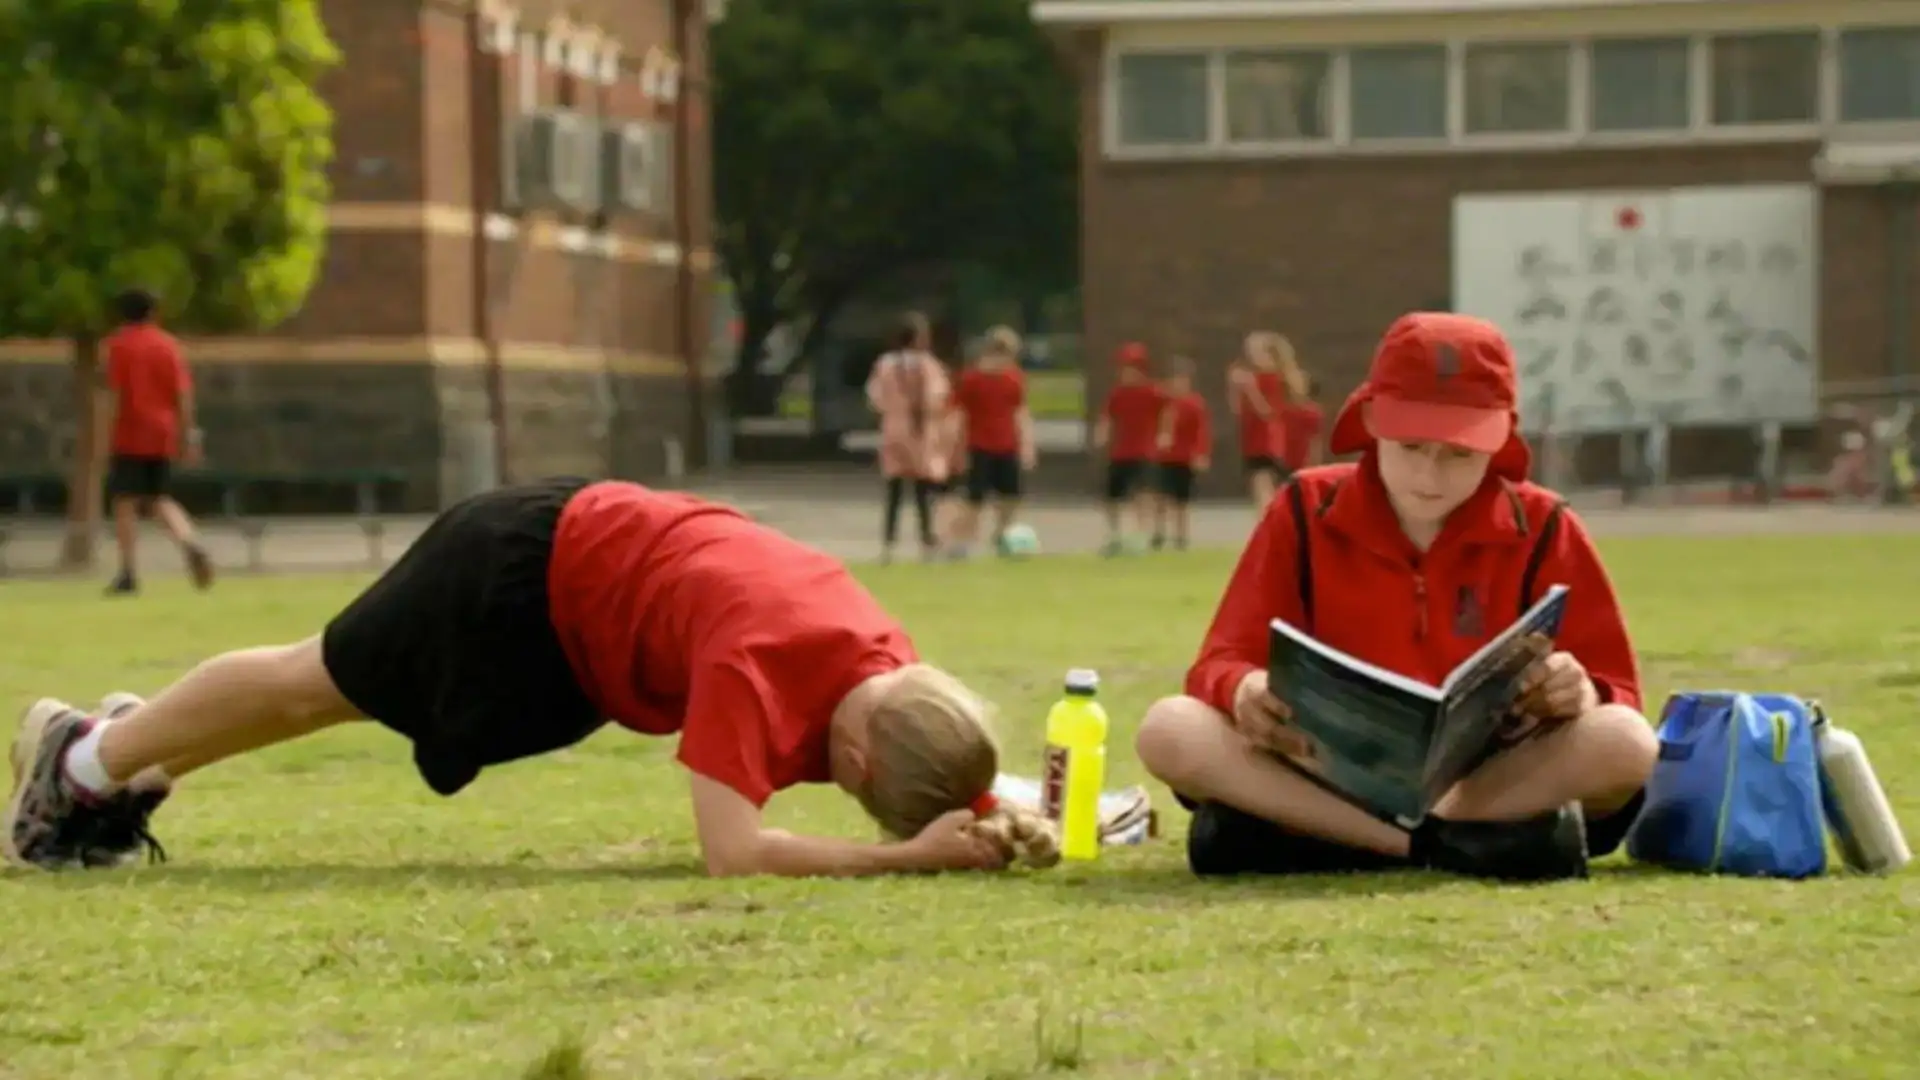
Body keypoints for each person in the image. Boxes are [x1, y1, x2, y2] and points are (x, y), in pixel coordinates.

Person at [5, 480, 1062, 875]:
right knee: (312, 682)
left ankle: (123, 761)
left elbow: (950, 759)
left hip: (579, 630)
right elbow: (734, 854)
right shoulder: (760, 663)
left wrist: (1010, 804)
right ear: (864, 756)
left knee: (335, 699)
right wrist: (905, 862)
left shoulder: (889, 665)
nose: (850, 796)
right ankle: (84, 755)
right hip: (520, 571)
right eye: (863, 793)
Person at [1135, 312, 1658, 881]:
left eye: (1460, 453)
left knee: (1626, 741)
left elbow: (1620, 693)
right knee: (1169, 727)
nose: (1430, 475)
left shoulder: (1545, 524)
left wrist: (1580, 691)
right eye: (1410, 445)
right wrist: (1244, 691)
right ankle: (1435, 846)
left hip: (1488, 778)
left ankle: (1348, 838)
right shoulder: (1303, 509)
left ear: (1502, 438)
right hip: (1326, 770)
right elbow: (1220, 661)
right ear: (1371, 421)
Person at [99, 288, 214, 594]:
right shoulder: (168, 346)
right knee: (159, 497)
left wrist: (104, 436)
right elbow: (183, 395)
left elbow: (114, 395)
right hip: (163, 433)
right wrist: (189, 435)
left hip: (129, 433)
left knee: (124, 501)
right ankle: (190, 540)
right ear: (152, 312)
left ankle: (128, 572)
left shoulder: (118, 346)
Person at [864, 311, 951, 564]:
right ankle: (926, 541)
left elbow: (875, 397)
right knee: (923, 491)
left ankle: (889, 544)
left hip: (893, 429)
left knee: (894, 491)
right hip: (920, 430)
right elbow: (937, 397)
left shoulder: (885, 364)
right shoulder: (928, 364)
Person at [949, 327, 1034, 557]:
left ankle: (1002, 535)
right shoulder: (971, 379)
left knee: (1011, 497)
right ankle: (962, 543)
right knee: (974, 499)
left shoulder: (1014, 379)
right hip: (980, 446)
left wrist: (1027, 444)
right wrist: (955, 448)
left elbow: (1020, 412)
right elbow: (959, 414)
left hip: (1007, 446)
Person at [1093, 343, 1164, 556]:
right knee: (1112, 496)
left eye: (1131, 367)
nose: (1125, 372)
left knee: (1142, 495)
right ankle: (1115, 534)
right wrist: (1102, 434)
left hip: (1144, 451)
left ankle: (1142, 535)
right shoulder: (1117, 394)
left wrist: (1163, 435)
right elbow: (1106, 417)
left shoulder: (1153, 392)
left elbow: (1167, 414)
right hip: (1120, 451)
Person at [1228, 331, 1306, 510]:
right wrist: (1235, 388)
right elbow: (1238, 411)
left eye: (1256, 352)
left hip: (1268, 441)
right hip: (1251, 439)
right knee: (1259, 487)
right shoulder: (1255, 378)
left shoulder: (1274, 379)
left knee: (1263, 485)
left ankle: (1270, 525)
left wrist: (1251, 389)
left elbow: (1267, 413)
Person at [1151, 356, 1211, 551]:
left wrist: (1200, 453)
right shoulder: (1163, 402)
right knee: (1161, 497)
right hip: (1164, 457)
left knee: (1181, 500)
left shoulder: (1194, 404)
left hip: (1183, 457)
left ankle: (1181, 536)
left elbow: (1202, 431)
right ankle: (1159, 533)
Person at [1279, 374, 1324, 474]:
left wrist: (1314, 465)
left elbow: (1315, 442)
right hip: (1282, 462)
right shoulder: (1284, 409)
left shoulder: (1312, 412)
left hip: (1302, 464)